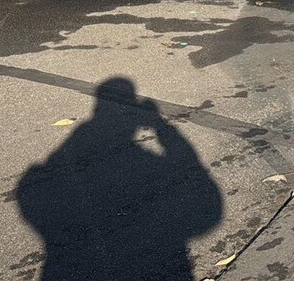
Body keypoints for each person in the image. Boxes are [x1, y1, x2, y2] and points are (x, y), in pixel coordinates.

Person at [17, 77, 223, 280]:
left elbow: (33, 191)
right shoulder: (136, 162)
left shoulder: (76, 148)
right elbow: (206, 202)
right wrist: (159, 125)